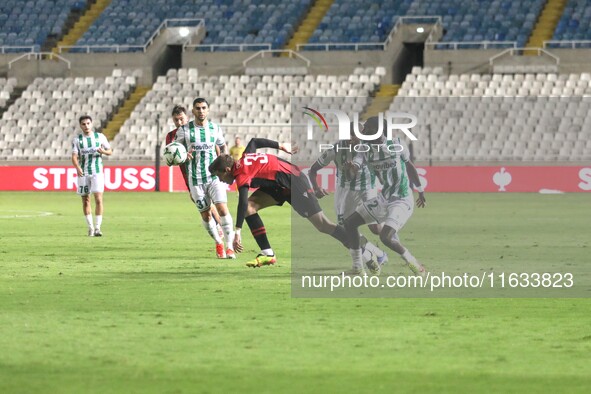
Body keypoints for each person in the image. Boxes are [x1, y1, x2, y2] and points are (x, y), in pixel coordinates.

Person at [209, 138, 367, 268]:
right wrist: (281, 146)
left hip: (294, 182)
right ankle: (267, 254)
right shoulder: (243, 159)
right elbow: (254, 142)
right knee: (251, 207)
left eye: (219, 175)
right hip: (279, 185)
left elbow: (241, 202)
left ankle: (366, 250)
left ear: (227, 170)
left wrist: (237, 232)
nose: (220, 179)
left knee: (322, 224)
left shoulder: (242, 173)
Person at [343, 116, 427, 276]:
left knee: (385, 237)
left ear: (376, 130)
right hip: (384, 199)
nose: (363, 130)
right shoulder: (364, 149)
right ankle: (359, 267)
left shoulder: (397, 144)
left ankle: (414, 264)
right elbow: (354, 171)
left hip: (402, 199)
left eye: (366, 127)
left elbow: (409, 166)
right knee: (350, 223)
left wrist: (420, 189)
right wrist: (351, 168)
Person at [308, 122, 388, 274]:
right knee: (345, 229)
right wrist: (316, 188)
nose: (352, 138)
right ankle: (374, 254)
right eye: (350, 134)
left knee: (376, 228)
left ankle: (381, 246)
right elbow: (313, 170)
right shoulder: (336, 149)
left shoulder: (369, 147)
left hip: (367, 188)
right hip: (345, 191)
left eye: (355, 134)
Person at [172, 98, 235, 259]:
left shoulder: (215, 128)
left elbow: (222, 145)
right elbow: (174, 150)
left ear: (208, 110)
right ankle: (218, 242)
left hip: (214, 177)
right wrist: (183, 156)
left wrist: (224, 160)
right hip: (195, 179)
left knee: (222, 209)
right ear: (193, 111)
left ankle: (229, 247)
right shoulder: (184, 130)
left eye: (204, 108)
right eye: (198, 108)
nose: (201, 111)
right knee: (206, 215)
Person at [166, 104, 224, 243]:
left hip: (207, 172)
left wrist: (218, 163)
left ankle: (220, 227)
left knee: (212, 203)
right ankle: (217, 226)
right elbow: (170, 158)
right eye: (176, 120)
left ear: (187, 117)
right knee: (201, 202)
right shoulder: (171, 136)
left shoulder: (195, 130)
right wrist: (179, 158)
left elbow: (216, 146)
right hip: (189, 175)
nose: (179, 122)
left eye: (181, 119)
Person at [71, 115, 112, 237]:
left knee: (98, 199)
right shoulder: (77, 140)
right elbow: (74, 156)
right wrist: (77, 168)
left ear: (91, 124)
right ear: (80, 126)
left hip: (97, 172)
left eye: (88, 123)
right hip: (83, 173)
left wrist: (103, 152)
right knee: (85, 200)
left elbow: (110, 151)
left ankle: (98, 228)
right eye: (83, 124)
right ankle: (90, 228)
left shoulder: (100, 137)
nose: (86, 126)